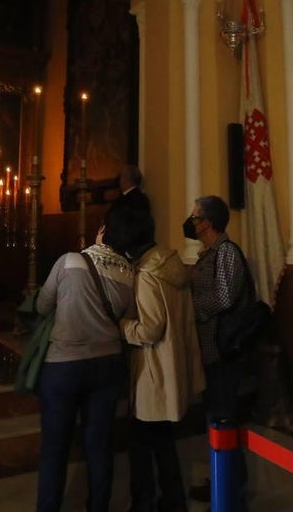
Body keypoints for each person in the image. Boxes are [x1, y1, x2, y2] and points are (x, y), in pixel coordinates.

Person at [35, 213, 137, 512]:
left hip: (64, 366)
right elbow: (127, 317)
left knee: (55, 448)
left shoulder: (69, 261)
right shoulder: (129, 273)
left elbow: (43, 304)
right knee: (99, 445)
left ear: (102, 231)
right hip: (107, 364)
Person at [118, 207, 205, 512]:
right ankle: (174, 499)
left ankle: (144, 502)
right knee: (163, 441)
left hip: (152, 375)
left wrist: (121, 325)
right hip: (171, 368)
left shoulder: (146, 275)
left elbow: (150, 329)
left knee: (141, 444)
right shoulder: (172, 263)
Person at [185, 195, 253, 506]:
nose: (192, 221)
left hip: (224, 351)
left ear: (208, 222)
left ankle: (231, 486)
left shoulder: (225, 252)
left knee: (223, 415)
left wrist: (191, 309)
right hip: (211, 349)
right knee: (215, 416)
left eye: (196, 216)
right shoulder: (208, 253)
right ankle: (221, 480)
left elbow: (224, 297)